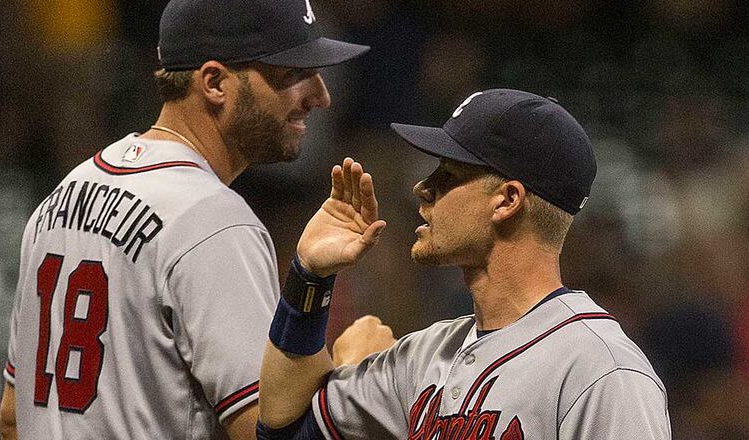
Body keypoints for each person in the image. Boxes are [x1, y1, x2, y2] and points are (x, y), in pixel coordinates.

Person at [0, 0, 386, 438]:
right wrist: (357, 378)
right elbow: (265, 432)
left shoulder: (61, 198)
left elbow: (13, 418)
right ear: (214, 82)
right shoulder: (213, 222)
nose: (320, 96)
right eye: (293, 73)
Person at [256, 89, 672, 439]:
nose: (422, 187)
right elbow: (284, 429)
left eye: (448, 174)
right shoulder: (420, 357)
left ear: (507, 201)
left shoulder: (602, 371)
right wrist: (310, 277)